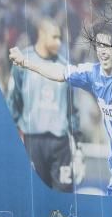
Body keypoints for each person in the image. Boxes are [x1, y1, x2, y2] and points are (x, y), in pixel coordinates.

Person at [9, 22, 112, 199]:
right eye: (99, 46)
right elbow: (60, 72)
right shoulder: (92, 74)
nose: (102, 51)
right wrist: (26, 62)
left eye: (107, 46)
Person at [6, 18, 80, 192]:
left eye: (60, 38)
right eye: (54, 37)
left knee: (64, 198)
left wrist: (78, 142)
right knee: (33, 194)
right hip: (33, 141)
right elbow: (14, 99)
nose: (58, 42)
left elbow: (72, 108)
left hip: (60, 143)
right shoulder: (23, 61)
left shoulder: (64, 67)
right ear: (42, 34)